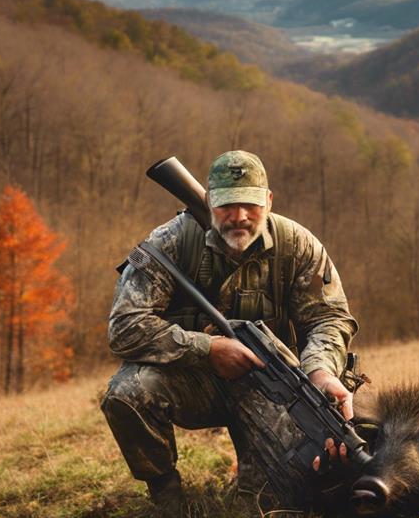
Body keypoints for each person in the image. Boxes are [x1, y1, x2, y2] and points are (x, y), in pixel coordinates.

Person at [101, 150, 359, 515]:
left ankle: (257, 476)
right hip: (196, 381)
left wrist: (320, 370)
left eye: (250, 205)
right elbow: (124, 326)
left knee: (271, 504)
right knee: (126, 393)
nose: (238, 217)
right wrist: (207, 349)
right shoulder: (172, 243)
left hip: (273, 387)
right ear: (208, 201)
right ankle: (166, 496)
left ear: (268, 201)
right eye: (225, 206)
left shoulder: (297, 245)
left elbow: (330, 318)